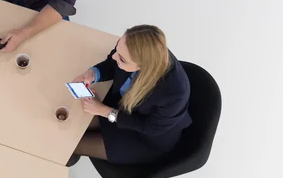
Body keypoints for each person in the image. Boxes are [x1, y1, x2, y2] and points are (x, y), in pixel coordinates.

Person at [69, 25, 192, 166]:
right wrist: (93, 73)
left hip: (143, 137)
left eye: (122, 59)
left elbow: (150, 128)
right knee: (72, 127)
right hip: (123, 108)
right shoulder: (135, 48)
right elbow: (112, 64)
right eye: (118, 46)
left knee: (72, 146)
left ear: (144, 66)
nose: (115, 57)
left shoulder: (174, 94)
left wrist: (104, 111)